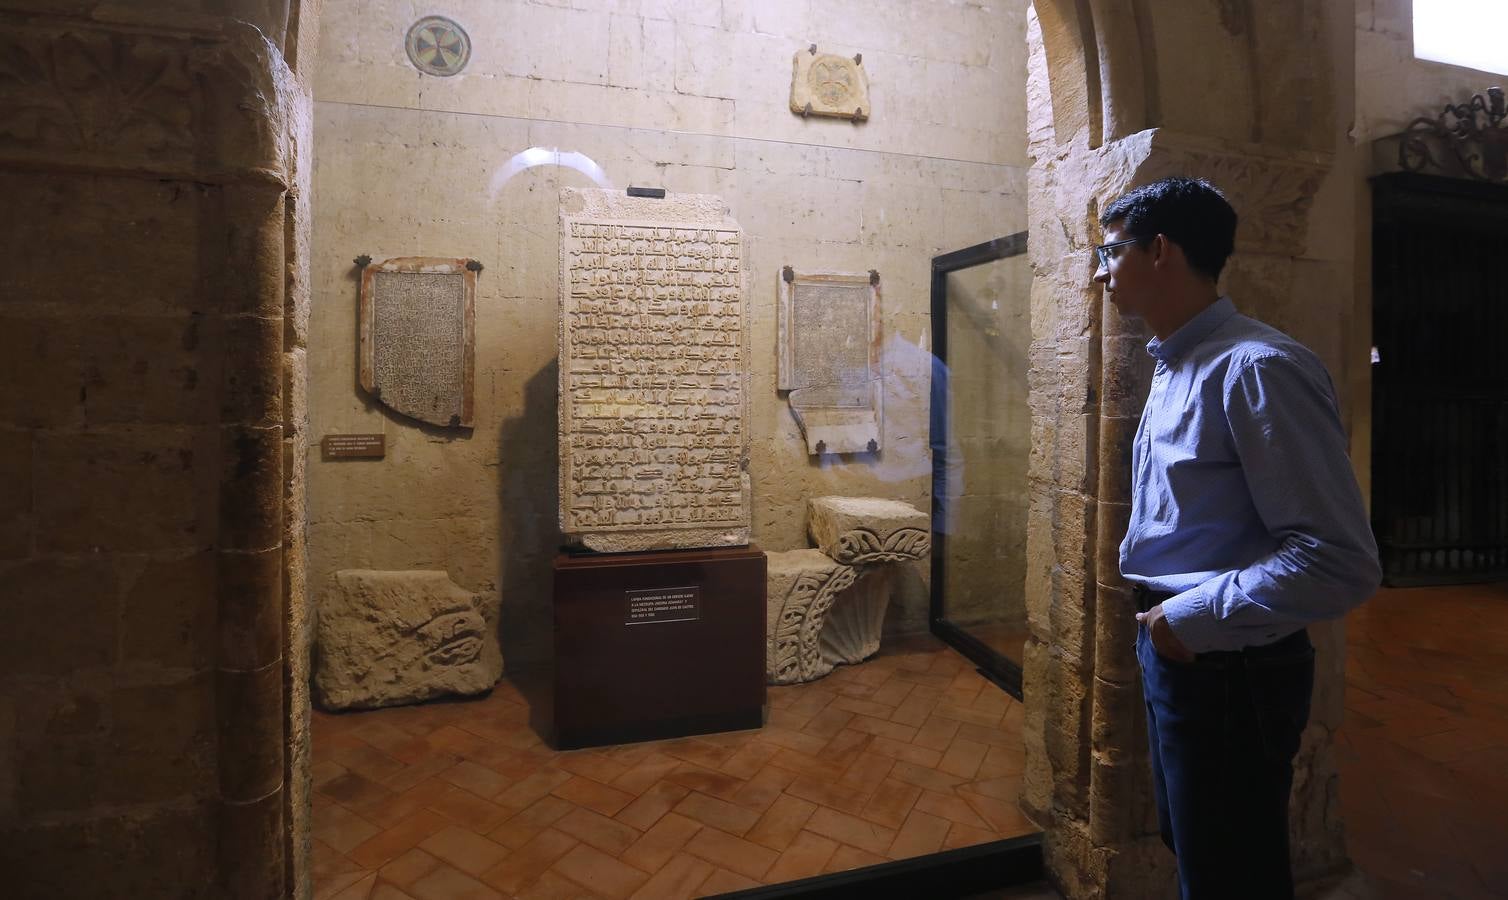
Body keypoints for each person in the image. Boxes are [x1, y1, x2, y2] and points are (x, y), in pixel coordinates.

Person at [1092, 177, 1381, 899]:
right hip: (1182, 646)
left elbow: (1338, 560)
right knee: (1197, 847)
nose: (1099, 271)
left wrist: (1184, 618)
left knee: (1232, 869)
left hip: (1230, 663)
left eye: (1110, 251)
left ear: (1161, 251)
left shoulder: (1257, 366)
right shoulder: (1173, 362)